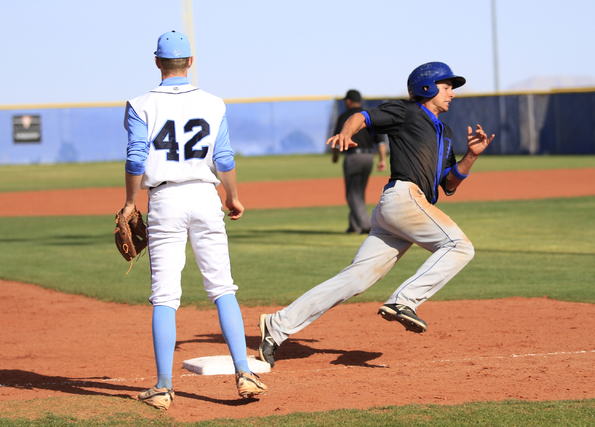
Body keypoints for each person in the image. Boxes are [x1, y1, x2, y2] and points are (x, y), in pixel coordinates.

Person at [258, 62, 494, 368]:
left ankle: (276, 325)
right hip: (403, 198)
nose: (452, 93)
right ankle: (403, 301)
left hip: (401, 210)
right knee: (460, 246)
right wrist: (345, 132)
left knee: (354, 280)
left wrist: (471, 157)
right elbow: (362, 116)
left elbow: (448, 183)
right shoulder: (407, 111)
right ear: (427, 87)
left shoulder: (444, 131)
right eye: (447, 86)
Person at [120, 30, 267, 410]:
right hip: (205, 196)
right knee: (223, 287)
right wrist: (232, 197)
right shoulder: (213, 103)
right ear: (190, 62)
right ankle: (244, 373)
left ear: (157, 62)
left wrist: (128, 203)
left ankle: (163, 387)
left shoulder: (139, 104)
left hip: (165, 199)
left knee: (165, 296)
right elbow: (225, 158)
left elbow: (137, 157)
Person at [332, 89, 387, 234]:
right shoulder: (369, 116)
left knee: (352, 194)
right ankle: (354, 226)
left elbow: (337, 139)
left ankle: (365, 225)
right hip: (369, 157)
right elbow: (381, 142)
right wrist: (382, 159)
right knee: (358, 191)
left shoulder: (345, 116)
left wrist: (335, 155)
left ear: (348, 101)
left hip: (353, 157)